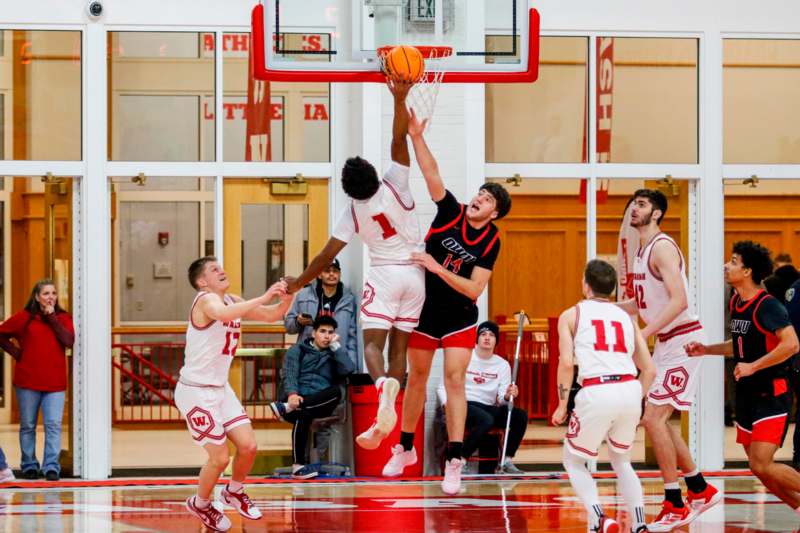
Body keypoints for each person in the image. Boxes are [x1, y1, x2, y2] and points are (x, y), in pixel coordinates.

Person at [285, 79, 423, 450]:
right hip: (417, 273)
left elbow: (326, 256)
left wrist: (298, 282)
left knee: (372, 347)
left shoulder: (352, 212)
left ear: (347, 189)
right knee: (399, 349)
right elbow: (398, 140)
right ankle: (389, 404)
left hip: (384, 272)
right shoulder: (396, 184)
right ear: (375, 176)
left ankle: (382, 390)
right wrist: (399, 97)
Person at [381, 107, 512, 495]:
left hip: (459, 316)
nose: (478, 199)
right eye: (479, 193)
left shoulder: (491, 241)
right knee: (416, 378)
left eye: (487, 199)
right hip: (423, 311)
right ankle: (404, 447)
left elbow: (474, 290)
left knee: (455, 380)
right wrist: (417, 136)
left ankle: (455, 460)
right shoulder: (450, 211)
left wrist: (437, 267)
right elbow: (431, 172)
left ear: (495, 213)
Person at [617, 189, 720, 530]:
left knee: (652, 419)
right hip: (666, 342)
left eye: (643, 204)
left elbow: (678, 300)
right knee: (657, 419)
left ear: (657, 213)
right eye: (634, 204)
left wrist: (643, 335)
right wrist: (602, 310)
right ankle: (699, 488)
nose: (635, 208)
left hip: (684, 341)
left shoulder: (661, 247)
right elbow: (641, 304)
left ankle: (675, 502)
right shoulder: (640, 251)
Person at [176, 256, 293, 532]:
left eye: (221, 267)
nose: (222, 271)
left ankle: (233, 491)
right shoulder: (206, 300)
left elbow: (271, 315)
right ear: (202, 281)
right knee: (219, 458)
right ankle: (201, 503)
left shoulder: (232, 300)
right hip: (195, 391)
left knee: (249, 447)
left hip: (220, 388)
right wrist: (265, 295)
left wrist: (288, 296)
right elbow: (224, 315)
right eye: (214, 269)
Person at [686, 241, 800, 513]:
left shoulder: (768, 306)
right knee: (758, 470)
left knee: (761, 463)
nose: (727, 265)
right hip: (747, 395)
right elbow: (739, 344)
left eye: (734, 261)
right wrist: (707, 349)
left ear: (747, 271)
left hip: (772, 395)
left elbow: (791, 344)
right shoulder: (738, 301)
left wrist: (753, 366)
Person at [552, 259, 656, 533]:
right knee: (622, 460)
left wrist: (562, 403)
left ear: (585, 284)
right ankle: (640, 524)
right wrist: (637, 400)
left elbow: (565, 363)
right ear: (612, 289)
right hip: (630, 388)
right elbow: (649, 369)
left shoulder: (571, 315)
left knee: (573, 460)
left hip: (597, 389)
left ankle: (600, 518)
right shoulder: (627, 318)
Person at [0, 279, 74, 481]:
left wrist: (52, 319)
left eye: (53, 293)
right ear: (36, 297)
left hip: (55, 382)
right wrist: (17, 353)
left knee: (53, 425)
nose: (50, 297)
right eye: (46, 293)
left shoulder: (63, 318)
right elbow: (2, 334)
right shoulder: (24, 318)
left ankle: (51, 466)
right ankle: (29, 465)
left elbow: (68, 341)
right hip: (27, 381)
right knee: (28, 425)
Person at [434, 321, 527, 474]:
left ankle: (506, 460)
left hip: (487, 406)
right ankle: (460, 460)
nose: (487, 338)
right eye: (483, 334)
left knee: (520, 416)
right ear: (476, 338)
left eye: (491, 335)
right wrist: (447, 404)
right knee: (486, 420)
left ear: (496, 340)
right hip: (463, 404)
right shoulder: (464, 357)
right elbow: (442, 386)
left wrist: (508, 395)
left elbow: (502, 399)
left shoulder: (502, 365)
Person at [270, 316, 356, 479]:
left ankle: (286, 408)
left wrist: (336, 347)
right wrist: (293, 395)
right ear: (313, 333)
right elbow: (290, 373)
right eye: (322, 331)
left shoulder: (333, 353)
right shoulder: (298, 350)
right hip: (294, 399)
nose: (326, 336)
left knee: (336, 392)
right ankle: (298, 466)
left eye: (330, 333)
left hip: (320, 402)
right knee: (303, 415)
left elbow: (348, 369)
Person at [284, 258, 358, 370]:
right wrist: (298, 321)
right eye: (327, 271)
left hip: (336, 360)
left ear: (340, 274)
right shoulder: (304, 295)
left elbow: (352, 337)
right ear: (319, 275)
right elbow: (289, 327)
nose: (332, 274)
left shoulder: (348, 299)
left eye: (335, 271)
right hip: (309, 358)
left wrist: (353, 366)